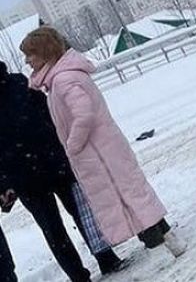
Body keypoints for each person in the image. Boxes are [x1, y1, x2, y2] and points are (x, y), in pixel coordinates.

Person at [20, 28, 185, 260]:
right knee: (133, 196)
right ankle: (167, 240)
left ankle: (160, 248)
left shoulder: (63, 79)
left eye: (31, 54)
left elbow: (84, 115)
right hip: (104, 151)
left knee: (127, 199)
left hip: (100, 156)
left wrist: (73, 146)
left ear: (45, 53)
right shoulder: (60, 78)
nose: (27, 60)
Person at [0, 61, 127, 281]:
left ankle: (88, 268)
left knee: (62, 224)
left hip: (34, 170)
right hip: (46, 164)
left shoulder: (20, 83)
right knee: (74, 217)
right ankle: (100, 260)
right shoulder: (19, 83)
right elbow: (47, 115)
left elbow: (49, 114)